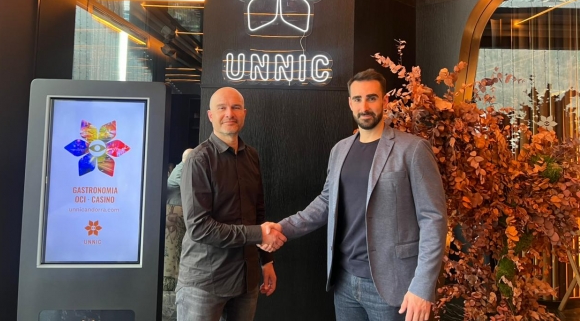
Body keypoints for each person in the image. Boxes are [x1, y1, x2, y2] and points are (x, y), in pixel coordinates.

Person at [265, 69, 447, 321]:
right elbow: (326, 202)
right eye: (358, 99)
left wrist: (422, 286)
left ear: (384, 101)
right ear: (350, 103)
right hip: (345, 282)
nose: (365, 107)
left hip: (394, 285)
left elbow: (433, 219)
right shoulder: (340, 150)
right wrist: (283, 228)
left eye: (372, 98)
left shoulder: (413, 149)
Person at [176, 87, 285, 321]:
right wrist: (259, 234)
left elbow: (258, 212)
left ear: (244, 113)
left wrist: (266, 261)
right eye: (222, 108)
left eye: (236, 107)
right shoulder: (198, 160)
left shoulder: (251, 156)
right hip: (205, 282)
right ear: (210, 115)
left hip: (246, 279)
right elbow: (199, 227)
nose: (229, 113)